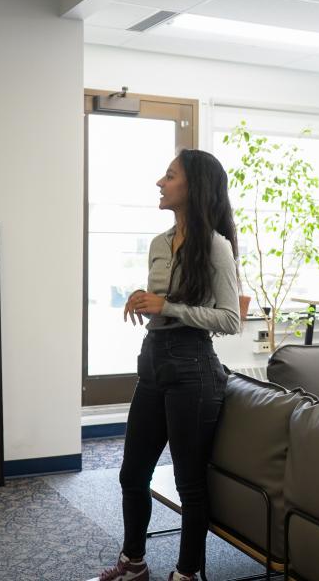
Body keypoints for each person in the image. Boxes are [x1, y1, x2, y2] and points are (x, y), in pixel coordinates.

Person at [94, 150, 240, 581]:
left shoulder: (216, 246)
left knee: (188, 483)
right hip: (153, 363)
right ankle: (134, 562)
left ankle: (185, 573)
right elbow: (165, 303)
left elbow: (231, 319)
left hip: (193, 369)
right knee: (132, 473)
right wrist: (146, 301)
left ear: (193, 187)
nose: (160, 182)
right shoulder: (160, 243)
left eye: (169, 176)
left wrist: (169, 307)